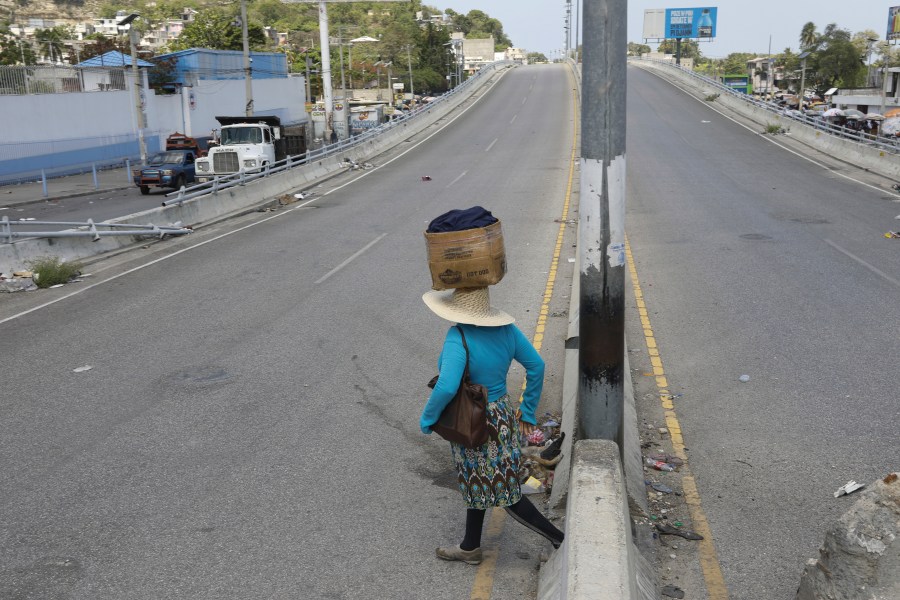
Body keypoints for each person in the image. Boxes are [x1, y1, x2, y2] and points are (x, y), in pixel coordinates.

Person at [420, 286, 565, 565]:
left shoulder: (457, 337)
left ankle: (559, 539)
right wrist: (528, 409)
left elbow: (447, 387)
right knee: (478, 480)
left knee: (505, 492)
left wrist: (428, 418)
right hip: (502, 416)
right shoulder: (507, 331)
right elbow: (536, 365)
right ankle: (470, 546)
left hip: (473, 422)